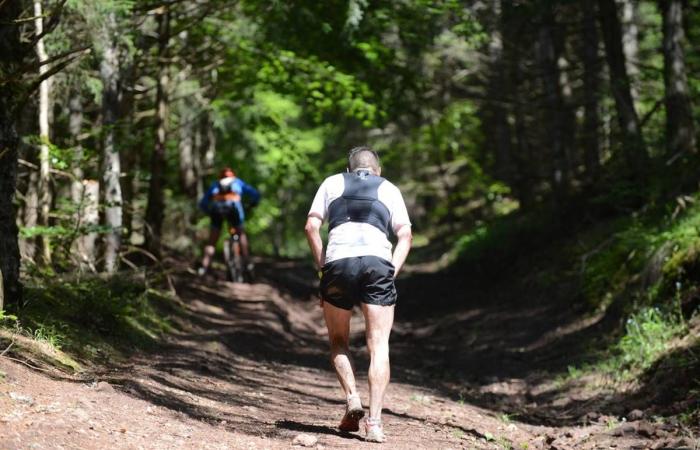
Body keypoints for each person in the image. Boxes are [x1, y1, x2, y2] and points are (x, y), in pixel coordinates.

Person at [304, 146, 412, 443]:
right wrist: (392, 271)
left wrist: (323, 268)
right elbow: (405, 235)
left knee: (339, 340)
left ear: (349, 169)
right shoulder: (389, 188)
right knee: (379, 345)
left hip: (339, 262)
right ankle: (375, 424)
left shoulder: (331, 182)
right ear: (378, 170)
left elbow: (311, 226)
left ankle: (352, 397)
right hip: (378, 264)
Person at [198, 167, 260, 277]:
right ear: (232, 175)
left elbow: (203, 203)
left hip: (217, 211)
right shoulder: (237, 182)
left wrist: (209, 212)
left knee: (212, 242)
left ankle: (204, 268)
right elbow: (255, 194)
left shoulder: (215, 184)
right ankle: (248, 264)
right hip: (234, 211)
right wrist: (252, 205)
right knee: (241, 235)